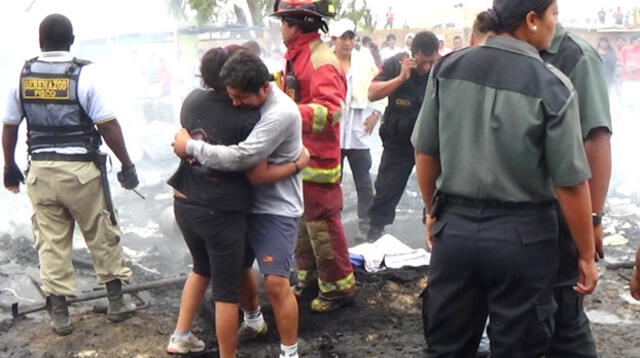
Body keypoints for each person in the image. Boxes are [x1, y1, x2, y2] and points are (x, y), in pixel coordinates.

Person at [412, 0, 598, 356]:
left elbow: (425, 153)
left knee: (446, 346)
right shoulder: (554, 86)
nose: (555, 24)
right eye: (553, 15)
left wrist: (432, 210)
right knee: (520, 347)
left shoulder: (449, 68)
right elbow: (570, 183)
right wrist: (586, 254)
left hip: (455, 233)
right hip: (524, 241)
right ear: (531, 20)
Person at [2, 14, 138, 335]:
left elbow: (9, 127)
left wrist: (9, 166)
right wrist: (127, 166)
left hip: (40, 173)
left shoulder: (21, 74)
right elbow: (107, 125)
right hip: (81, 173)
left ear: (40, 42)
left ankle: (60, 315)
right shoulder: (85, 74)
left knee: (50, 242)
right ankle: (117, 303)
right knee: (101, 232)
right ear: (72, 40)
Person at [172, 50, 304, 358]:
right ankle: (254, 320)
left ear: (264, 88)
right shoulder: (244, 109)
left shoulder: (279, 113)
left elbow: (247, 163)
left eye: (240, 97)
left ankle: (289, 352)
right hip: (241, 205)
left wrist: (190, 146)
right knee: (240, 269)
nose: (234, 104)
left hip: (276, 207)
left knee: (275, 282)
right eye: (230, 96)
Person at [270, 0, 356, 313]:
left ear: (295, 25)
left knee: (322, 226)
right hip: (299, 156)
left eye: (283, 23)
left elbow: (332, 110)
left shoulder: (321, 60)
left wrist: (288, 113)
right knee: (303, 224)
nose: (280, 29)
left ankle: (338, 288)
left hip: (318, 160)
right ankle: (309, 279)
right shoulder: (297, 56)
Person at [540, 22, 613, 358]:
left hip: (560, 213)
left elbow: (595, 141)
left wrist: (592, 219)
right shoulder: (509, 50)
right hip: (515, 222)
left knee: (566, 317)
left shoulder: (576, 56)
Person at [365, 31, 439, 240]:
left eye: (430, 62)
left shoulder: (441, 67)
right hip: (398, 142)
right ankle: (374, 233)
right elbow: (372, 92)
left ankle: (434, 238)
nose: (426, 68)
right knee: (386, 189)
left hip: (429, 144)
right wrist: (400, 78)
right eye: (422, 62)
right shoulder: (395, 64)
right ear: (413, 55)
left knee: (437, 193)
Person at [329, 19, 385, 241]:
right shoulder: (326, 61)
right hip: (333, 129)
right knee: (332, 181)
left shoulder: (364, 60)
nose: (348, 42)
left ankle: (365, 224)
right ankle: (332, 225)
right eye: (343, 37)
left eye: (351, 37)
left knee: (363, 181)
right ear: (334, 39)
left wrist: (376, 112)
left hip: (358, 127)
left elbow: (379, 86)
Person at [618, 35, 640, 111]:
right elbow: (621, 61)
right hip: (626, 78)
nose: (639, 42)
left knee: (637, 100)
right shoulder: (625, 49)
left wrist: (635, 69)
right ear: (633, 41)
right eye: (638, 40)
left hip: (637, 79)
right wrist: (627, 70)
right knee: (627, 99)